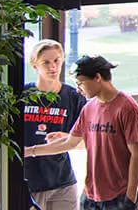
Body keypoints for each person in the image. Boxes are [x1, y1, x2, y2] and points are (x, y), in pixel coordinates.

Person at [25, 56, 138, 210]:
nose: (77, 89)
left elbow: (137, 155)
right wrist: (30, 151)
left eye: (80, 83)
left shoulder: (127, 108)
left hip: (120, 195)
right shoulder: (89, 108)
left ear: (97, 78)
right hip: (91, 195)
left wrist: (131, 198)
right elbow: (69, 143)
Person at [19, 39, 87, 210]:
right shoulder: (21, 96)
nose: (53, 67)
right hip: (27, 183)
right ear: (34, 66)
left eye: (56, 61)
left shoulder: (73, 97)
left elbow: (89, 143)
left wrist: (69, 139)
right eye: (46, 63)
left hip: (62, 183)